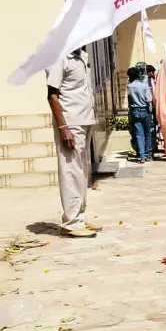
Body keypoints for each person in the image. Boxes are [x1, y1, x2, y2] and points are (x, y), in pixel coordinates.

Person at [45, 48, 97, 237]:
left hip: (85, 119)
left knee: (82, 172)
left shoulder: (82, 56)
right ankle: (71, 222)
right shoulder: (60, 57)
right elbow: (52, 95)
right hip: (70, 122)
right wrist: (63, 127)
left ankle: (79, 216)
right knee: (71, 171)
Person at [126, 65, 154, 165]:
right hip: (145, 110)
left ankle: (141, 156)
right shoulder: (144, 86)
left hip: (134, 111)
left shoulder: (129, 87)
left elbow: (129, 100)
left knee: (138, 134)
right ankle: (148, 154)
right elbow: (149, 99)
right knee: (147, 133)